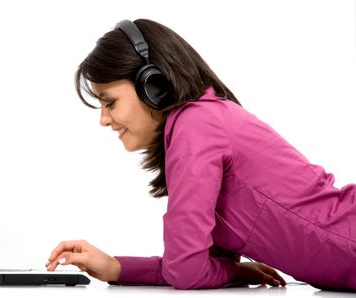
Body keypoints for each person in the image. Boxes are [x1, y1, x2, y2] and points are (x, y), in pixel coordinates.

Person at [45, 19, 356, 291]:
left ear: (153, 85)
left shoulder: (196, 125)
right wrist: (115, 267)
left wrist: (233, 272)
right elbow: (195, 265)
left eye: (109, 102)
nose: (104, 119)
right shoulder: (201, 123)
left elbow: (187, 270)